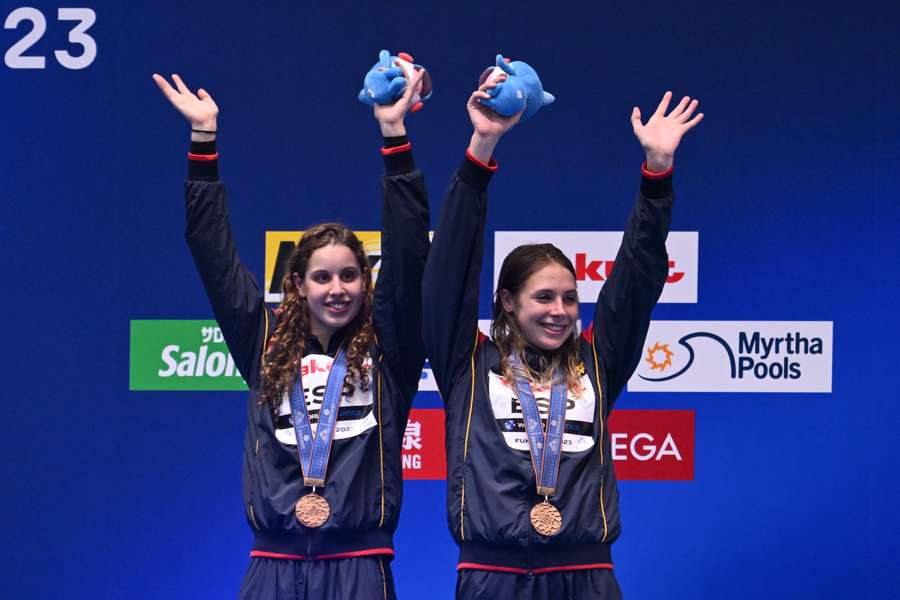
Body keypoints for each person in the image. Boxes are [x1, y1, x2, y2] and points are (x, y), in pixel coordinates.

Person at [153, 63, 429, 600]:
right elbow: (212, 252)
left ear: (365, 282)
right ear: (297, 284)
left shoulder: (389, 348)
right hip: (273, 568)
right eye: (321, 276)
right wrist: (203, 140)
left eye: (350, 275)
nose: (337, 289)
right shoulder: (264, 341)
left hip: (360, 566)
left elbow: (411, 247)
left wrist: (394, 135)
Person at [422, 77, 703, 599]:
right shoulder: (467, 363)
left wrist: (657, 175)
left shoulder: (596, 361)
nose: (560, 311)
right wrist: (481, 148)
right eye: (544, 298)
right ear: (507, 301)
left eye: (570, 299)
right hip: (492, 580)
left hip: (587, 579)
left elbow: (637, 275)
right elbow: (449, 272)